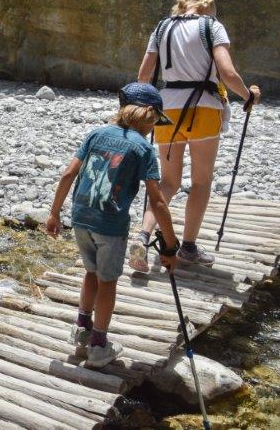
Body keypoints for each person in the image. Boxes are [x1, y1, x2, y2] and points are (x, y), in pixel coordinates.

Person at [129, 0, 261, 272]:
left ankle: (142, 235)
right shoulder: (212, 27)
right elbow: (226, 72)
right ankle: (187, 246)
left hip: (167, 108)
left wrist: (143, 110)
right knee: (201, 182)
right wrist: (248, 95)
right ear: (208, 3)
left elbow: (144, 75)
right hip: (204, 108)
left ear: (182, 0)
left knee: (168, 182)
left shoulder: (162, 28)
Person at [46, 83, 180, 368]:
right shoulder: (143, 148)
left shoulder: (95, 134)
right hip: (110, 225)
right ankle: (98, 346)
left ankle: (81, 331)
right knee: (108, 282)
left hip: (81, 218)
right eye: (155, 121)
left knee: (91, 273)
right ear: (148, 115)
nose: (154, 127)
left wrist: (54, 214)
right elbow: (157, 202)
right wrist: (171, 243)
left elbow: (70, 172)